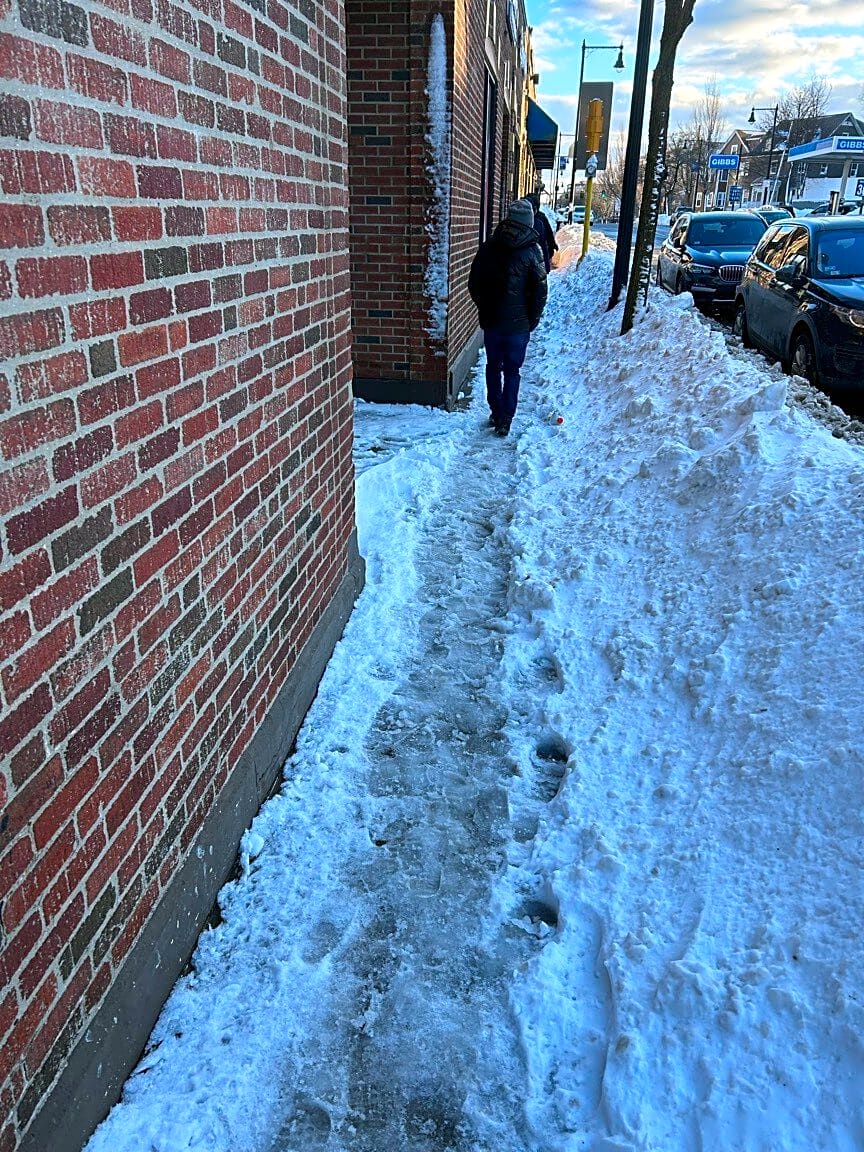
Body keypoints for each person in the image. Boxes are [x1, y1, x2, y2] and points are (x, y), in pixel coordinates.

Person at [468, 198, 548, 436]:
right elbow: (540, 290)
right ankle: (506, 417)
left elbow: (474, 283)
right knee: (513, 371)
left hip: (492, 321)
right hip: (519, 325)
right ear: (529, 222)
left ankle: (496, 411)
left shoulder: (489, 247)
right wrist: (532, 319)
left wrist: (485, 307)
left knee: (493, 366)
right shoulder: (532, 250)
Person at [527, 191, 558, 272]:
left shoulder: (518, 217)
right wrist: (552, 245)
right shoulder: (541, 218)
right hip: (538, 256)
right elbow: (548, 234)